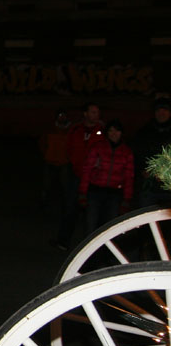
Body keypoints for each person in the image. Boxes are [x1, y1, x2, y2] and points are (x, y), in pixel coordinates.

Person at [55, 102, 104, 249]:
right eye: (93, 112)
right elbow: (69, 148)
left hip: (94, 178)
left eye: (97, 112)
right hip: (76, 174)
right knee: (70, 208)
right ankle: (63, 241)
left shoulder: (103, 130)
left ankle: (92, 247)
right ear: (85, 114)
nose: (95, 115)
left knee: (93, 213)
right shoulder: (76, 129)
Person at [78, 119, 134, 234]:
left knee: (109, 226)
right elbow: (87, 169)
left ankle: (106, 251)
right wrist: (83, 192)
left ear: (121, 133)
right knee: (91, 224)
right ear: (107, 133)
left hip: (114, 194)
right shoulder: (98, 147)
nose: (114, 134)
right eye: (111, 131)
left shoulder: (126, 152)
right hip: (95, 191)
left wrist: (126, 199)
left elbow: (129, 176)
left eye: (117, 131)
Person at [132, 97, 171, 207]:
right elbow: (137, 155)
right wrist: (142, 170)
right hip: (149, 185)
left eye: (165, 110)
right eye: (158, 110)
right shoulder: (144, 132)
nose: (161, 113)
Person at [38, 108, 70, 209]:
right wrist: (47, 154)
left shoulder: (70, 130)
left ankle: (64, 203)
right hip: (50, 161)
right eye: (60, 115)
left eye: (63, 115)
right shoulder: (50, 129)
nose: (62, 117)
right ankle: (44, 202)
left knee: (64, 184)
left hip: (64, 162)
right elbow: (42, 143)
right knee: (46, 184)